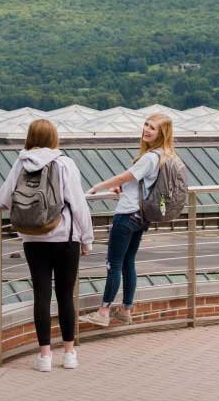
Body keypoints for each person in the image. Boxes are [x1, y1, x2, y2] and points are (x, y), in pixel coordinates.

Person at [0, 119, 94, 372]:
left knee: (41, 295)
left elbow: (4, 197)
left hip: (33, 238)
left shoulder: (21, 162)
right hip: (64, 238)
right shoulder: (64, 163)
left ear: (30, 137)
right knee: (65, 295)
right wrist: (87, 238)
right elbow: (79, 204)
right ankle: (70, 353)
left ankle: (44, 357)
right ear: (54, 138)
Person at [81, 113, 174, 328]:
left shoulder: (150, 157)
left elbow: (126, 176)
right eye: (146, 125)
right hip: (141, 216)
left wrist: (98, 187)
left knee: (113, 264)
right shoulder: (163, 155)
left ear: (162, 133)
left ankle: (103, 312)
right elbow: (139, 182)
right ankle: (126, 310)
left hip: (127, 215)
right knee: (127, 262)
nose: (146, 130)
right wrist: (123, 188)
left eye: (153, 128)